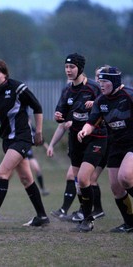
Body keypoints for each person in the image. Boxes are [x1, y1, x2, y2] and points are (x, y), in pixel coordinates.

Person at [0, 59, 49, 227]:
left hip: (22, 137)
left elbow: (37, 107)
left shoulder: (17, 88)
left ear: (5, 75)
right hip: (7, 139)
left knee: (2, 173)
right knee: (26, 178)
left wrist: (38, 132)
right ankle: (42, 216)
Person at [53, 53, 107, 232]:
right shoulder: (67, 90)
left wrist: (97, 104)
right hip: (75, 139)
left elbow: (107, 106)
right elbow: (61, 114)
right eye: (66, 67)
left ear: (80, 68)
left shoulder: (93, 87)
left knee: (84, 179)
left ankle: (89, 218)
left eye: (72, 67)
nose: (68, 70)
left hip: (96, 137)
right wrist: (58, 116)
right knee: (79, 182)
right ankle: (85, 215)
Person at [78, 66, 133, 233]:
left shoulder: (129, 95)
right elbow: (92, 121)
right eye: (100, 81)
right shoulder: (101, 101)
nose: (101, 85)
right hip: (116, 145)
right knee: (117, 188)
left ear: (115, 82)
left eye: (105, 82)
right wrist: (84, 130)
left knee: (126, 177)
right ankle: (130, 223)